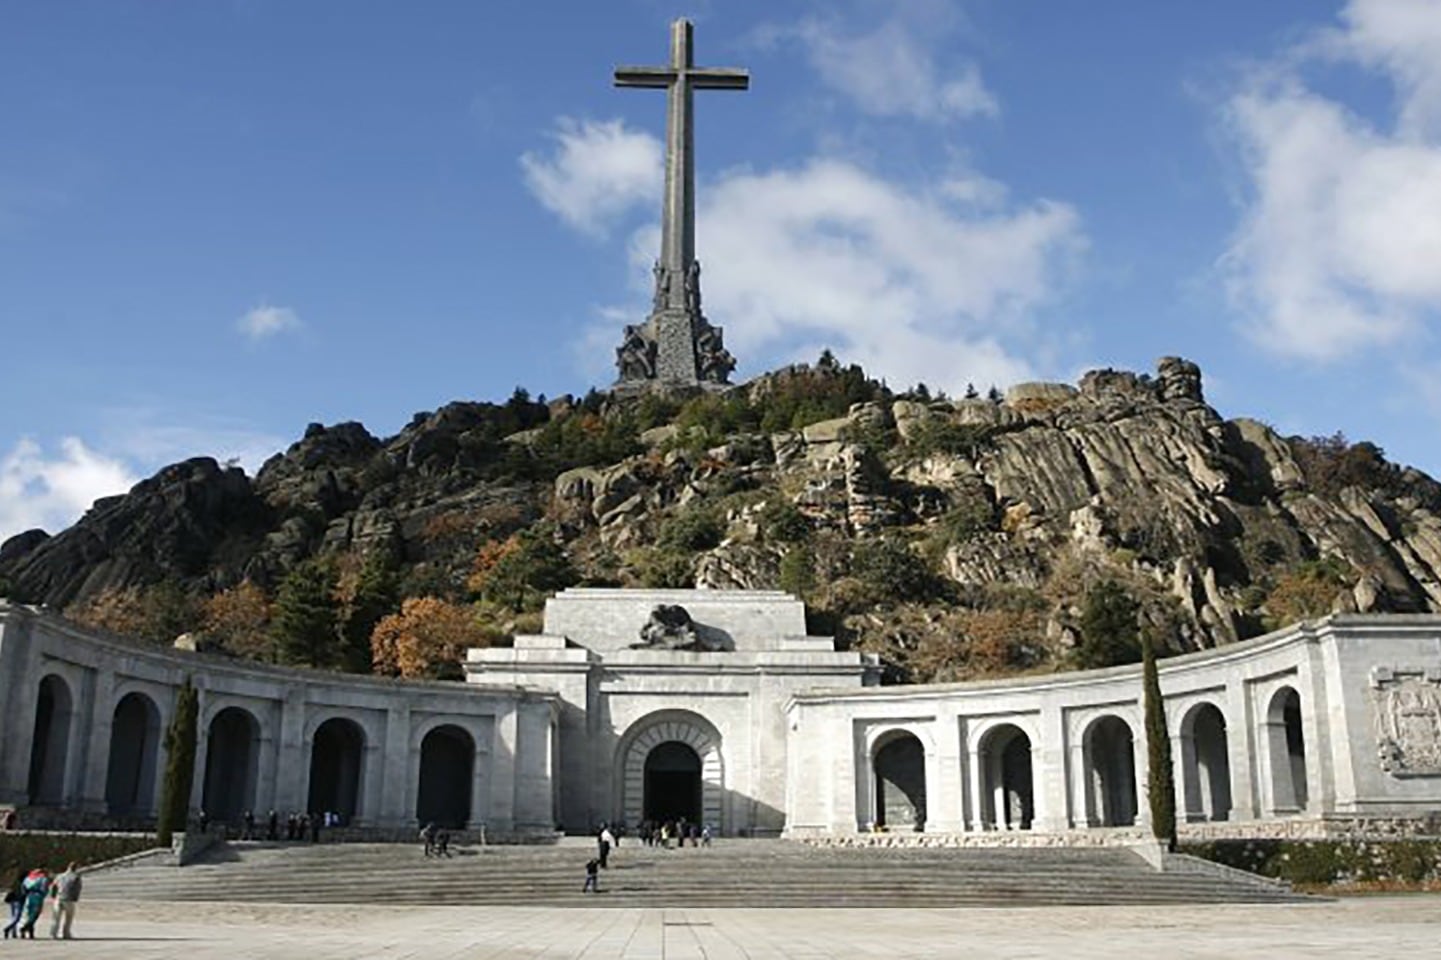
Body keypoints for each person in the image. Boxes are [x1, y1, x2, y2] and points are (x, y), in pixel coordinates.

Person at [48, 862, 81, 940]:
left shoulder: (59, 876)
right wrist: (75, 898)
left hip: (58, 897)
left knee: (56, 917)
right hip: (69, 899)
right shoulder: (76, 877)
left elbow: (53, 886)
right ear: (76, 868)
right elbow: (77, 888)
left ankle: (53, 933)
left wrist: (53, 895)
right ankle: (66, 933)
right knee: (68, 917)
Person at [16, 867, 49, 939]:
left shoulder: (28, 878)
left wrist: (25, 894)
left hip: (29, 896)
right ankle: (25, 928)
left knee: (29, 914)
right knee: (35, 914)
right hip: (38, 896)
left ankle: (30, 933)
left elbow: (23, 887)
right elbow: (44, 888)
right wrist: (44, 895)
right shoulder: (43, 879)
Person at [2, 870, 25, 939]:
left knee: (13, 917)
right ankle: (7, 929)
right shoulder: (21, 885)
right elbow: (21, 894)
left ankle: (13, 932)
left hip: (12, 901)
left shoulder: (15, 883)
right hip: (18, 901)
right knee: (17, 918)